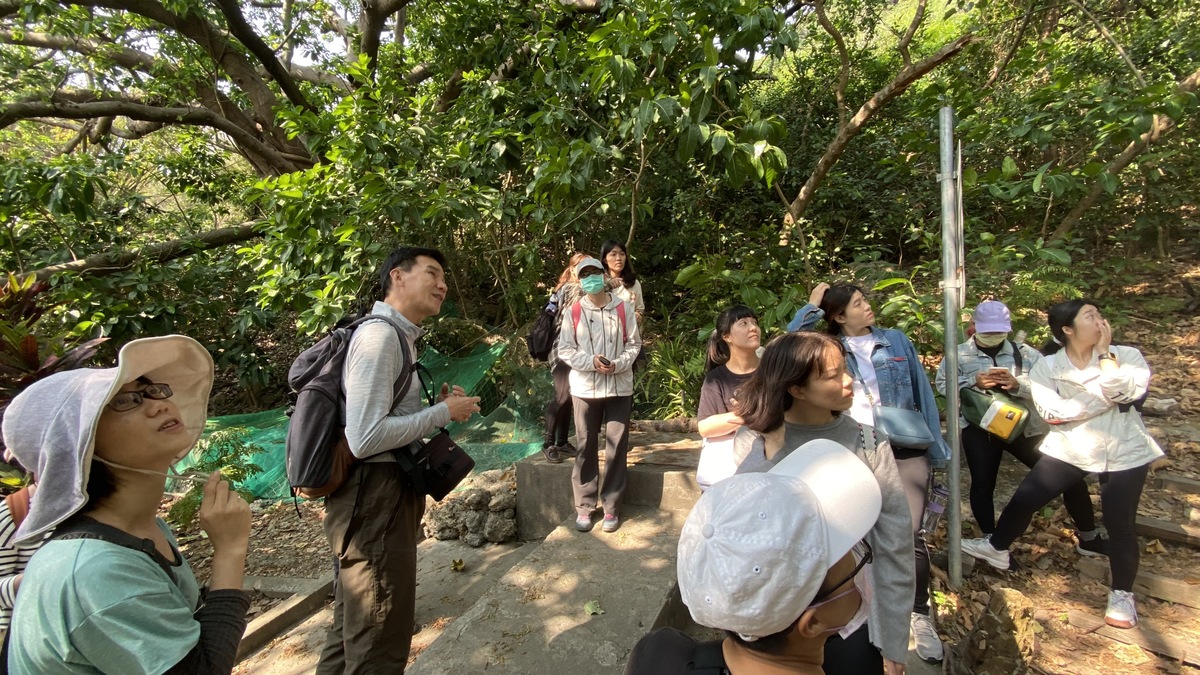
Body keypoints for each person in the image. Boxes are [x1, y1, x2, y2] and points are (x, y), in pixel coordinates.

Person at [2, 335, 252, 673]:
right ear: (81, 445)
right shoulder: (95, 569)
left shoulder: (141, 528)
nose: (158, 404)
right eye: (124, 401)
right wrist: (230, 550)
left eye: (150, 389)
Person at [317, 247, 481, 674]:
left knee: (353, 625)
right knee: (379, 633)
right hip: (374, 498)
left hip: (376, 497)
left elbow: (383, 424)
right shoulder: (379, 337)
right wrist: (442, 414)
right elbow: (365, 436)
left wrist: (435, 410)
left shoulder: (397, 336)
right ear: (398, 277)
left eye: (444, 276)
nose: (443, 284)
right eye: (432, 273)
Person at [961, 299, 1163, 629]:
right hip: (1071, 446)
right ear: (1068, 330)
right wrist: (1103, 399)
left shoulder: (1126, 357)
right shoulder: (1049, 365)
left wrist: (1104, 357)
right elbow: (1054, 414)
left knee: (1119, 524)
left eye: (1099, 313)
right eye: (1090, 316)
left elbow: (1125, 393)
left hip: (1126, 449)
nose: (1099, 320)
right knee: (1026, 498)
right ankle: (996, 546)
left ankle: (1122, 595)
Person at [733, 332, 914, 675]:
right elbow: (741, 525)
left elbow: (895, 543)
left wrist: (892, 637)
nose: (849, 382)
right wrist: (772, 449)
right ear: (796, 389)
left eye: (846, 369)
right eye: (832, 376)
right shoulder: (753, 439)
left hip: (847, 611)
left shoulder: (869, 441)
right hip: (775, 617)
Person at [624, 440, 882, 675]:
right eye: (854, 558)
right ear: (812, 622)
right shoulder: (859, 661)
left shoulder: (657, 657)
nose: (854, 554)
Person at [790, 281, 947, 663]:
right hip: (853, 446)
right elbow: (793, 343)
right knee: (854, 534)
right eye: (857, 304)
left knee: (906, 533)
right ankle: (864, 614)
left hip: (904, 444)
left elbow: (921, 391)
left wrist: (937, 450)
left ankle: (918, 612)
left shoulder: (895, 340)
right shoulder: (832, 348)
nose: (867, 307)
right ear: (839, 316)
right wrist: (813, 304)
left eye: (865, 301)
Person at [935, 300, 1103, 552]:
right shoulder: (958, 354)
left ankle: (1089, 537)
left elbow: (1049, 386)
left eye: (998, 331)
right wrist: (973, 381)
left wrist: (1017, 384)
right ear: (974, 327)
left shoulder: (1026, 353)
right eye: (988, 331)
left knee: (1069, 478)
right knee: (982, 484)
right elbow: (942, 385)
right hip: (980, 428)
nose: (993, 336)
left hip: (1024, 428)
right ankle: (992, 542)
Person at [556, 256, 641, 534]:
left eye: (595, 272)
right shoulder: (574, 311)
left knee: (616, 448)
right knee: (585, 445)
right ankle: (584, 506)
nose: (591, 278)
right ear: (579, 280)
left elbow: (634, 344)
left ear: (604, 275)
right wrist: (591, 362)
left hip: (619, 386)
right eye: (585, 275)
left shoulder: (623, 308)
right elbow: (565, 350)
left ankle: (612, 508)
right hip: (584, 389)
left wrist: (617, 364)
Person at [696, 305, 761, 490]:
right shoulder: (716, 379)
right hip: (729, 471)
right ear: (727, 336)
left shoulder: (772, 371)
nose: (753, 328)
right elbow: (706, 427)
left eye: (755, 322)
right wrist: (746, 416)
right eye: (744, 323)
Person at [541, 252, 588, 464]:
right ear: (572, 269)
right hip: (562, 349)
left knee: (569, 396)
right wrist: (614, 281)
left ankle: (561, 442)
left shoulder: (566, 289)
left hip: (575, 350)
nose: (589, 273)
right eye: (584, 267)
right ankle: (548, 443)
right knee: (561, 396)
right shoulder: (571, 288)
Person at [600, 239, 645, 322]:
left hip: (628, 332)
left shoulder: (633, 283)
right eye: (613, 254)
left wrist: (638, 314)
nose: (618, 258)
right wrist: (607, 285)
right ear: (605, 260)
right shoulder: (598, 282)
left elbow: (640, 308)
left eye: (622, 254)